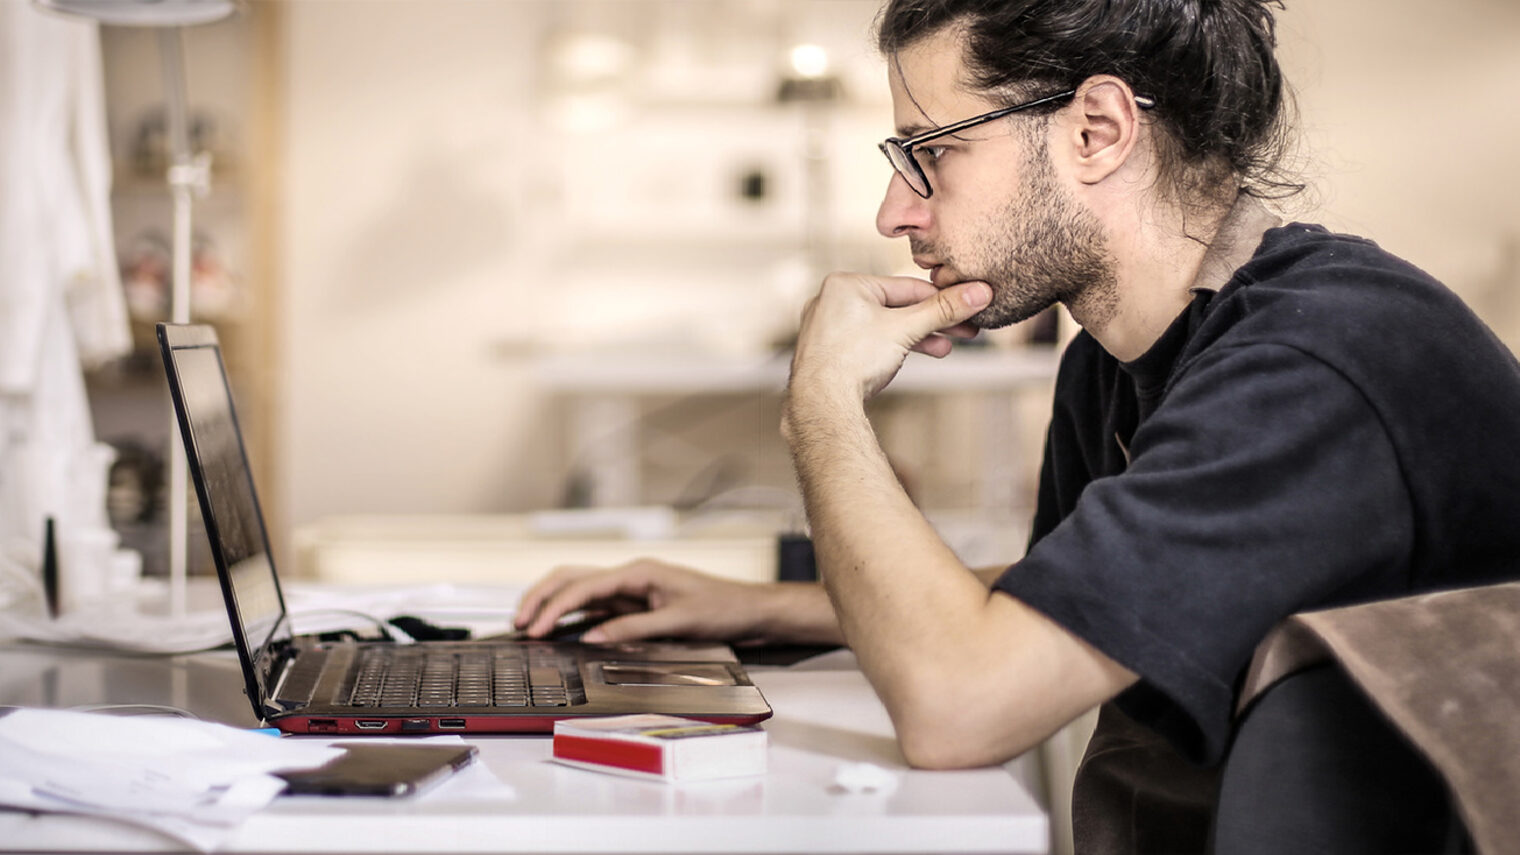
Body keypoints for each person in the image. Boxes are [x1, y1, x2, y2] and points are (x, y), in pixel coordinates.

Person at [516, 0, 1520, 848]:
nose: (892, 214)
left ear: (1096, 129)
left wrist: (818, 401)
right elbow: (1072, 601)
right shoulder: (1119, 357)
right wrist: (754, 609)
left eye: (929, 153)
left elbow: (961, 706)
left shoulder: (1313, 362)